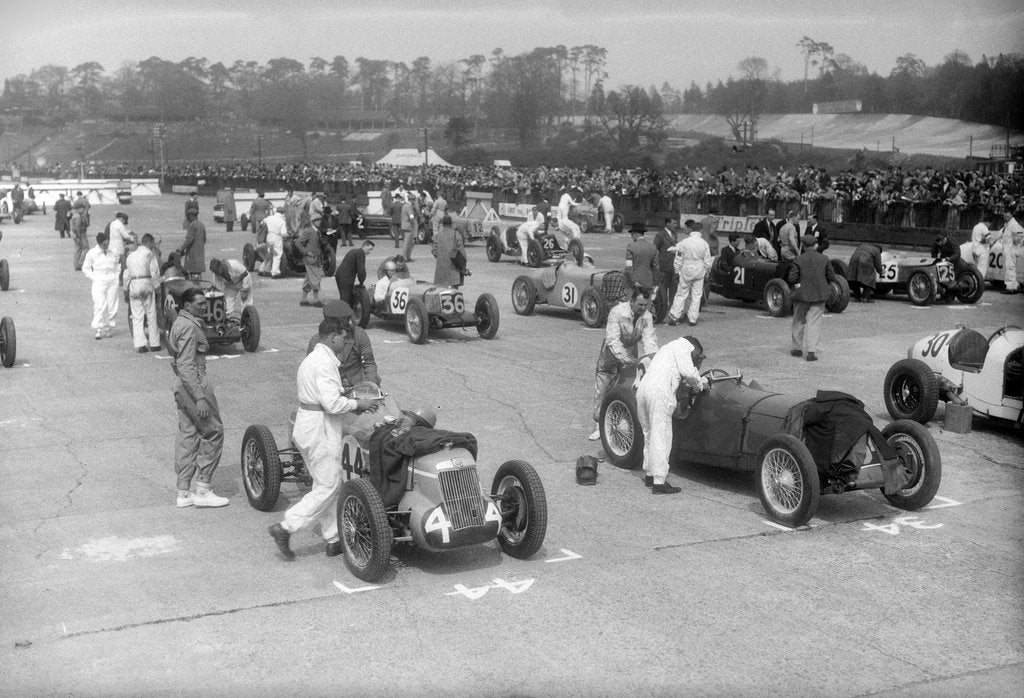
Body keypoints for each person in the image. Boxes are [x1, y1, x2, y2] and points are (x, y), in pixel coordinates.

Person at [268, 316, 383, 561]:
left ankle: (333, 538)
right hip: (319, 428)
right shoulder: (324, 363)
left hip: (310, 424)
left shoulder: (314, 359)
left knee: (326, 484)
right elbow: (331, 403)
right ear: (333, 337)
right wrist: (358, 403)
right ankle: (286, 527)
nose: (346, 342)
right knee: (329, 485)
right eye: (344, 337)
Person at [168, 287, 229, 508]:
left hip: (183, 384)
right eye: (200, 304)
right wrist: (200, 397)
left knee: (188, 436)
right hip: (194, 383)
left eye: (204, 303)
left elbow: (174, 357)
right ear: (187, 306)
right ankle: (203, 489)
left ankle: (183, 492)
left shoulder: (180, 323)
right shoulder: (189, 327)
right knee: (213, 432)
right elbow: (186, 365)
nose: (204, 306)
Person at [636, 336, 708, 494]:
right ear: (694, 349)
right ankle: (659, 482)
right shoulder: (684, 347)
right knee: (661, 436)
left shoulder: (667, 348)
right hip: (659, 393)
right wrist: (701, 384)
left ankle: (649, 474)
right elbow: (688, 372)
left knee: (649, 434)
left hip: (643, 390)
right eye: (698, 356)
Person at [588, 286, 657, 441]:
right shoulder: (617, 312)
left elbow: (650, 340)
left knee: (629, 390)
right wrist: (628, 359)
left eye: (646, 305)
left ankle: (624, 422)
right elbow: (612, 339)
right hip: (610, 356)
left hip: (631, 355)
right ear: (631, 301)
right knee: (603, 390)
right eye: (640, 305)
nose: (643, 308)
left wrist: (652, 359)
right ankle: (599, 426)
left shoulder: (647, 316)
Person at [788, 234, 837, 361]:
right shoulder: (824, 258)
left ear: (803, 246)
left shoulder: (798, 259)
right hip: (819, 295)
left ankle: (797, 349)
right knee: (814, 323)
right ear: (815, 245)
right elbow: (832, 278)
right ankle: (811, 351)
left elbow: (792, 278)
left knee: (798, 321)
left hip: (801, 295)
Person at [666, 220, 712, 327]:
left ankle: (674, 316)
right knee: (696, 295)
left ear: (692, 229)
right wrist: (706, 273)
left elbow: (679, 257)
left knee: (681, 294)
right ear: (700, 230)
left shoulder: (685, 242)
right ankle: (693, 318)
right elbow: (708, 261)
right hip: (699, 269)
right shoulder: (704, 243)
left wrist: (677, 271)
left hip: (686, 269)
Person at [123, 233, 162, 352]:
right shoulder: (149, 254)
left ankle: (141, 344)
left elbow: (126, 275)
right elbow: (155, 273)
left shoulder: (130, 256)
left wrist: (125, 289)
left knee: (137, 316)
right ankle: (155, 344)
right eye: (152, 244)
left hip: (134, 285)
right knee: (151, 314)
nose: (153, 246)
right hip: (146, 284)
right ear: (148, 242)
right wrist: (158, 289)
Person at [82, 231, 121, 339]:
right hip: (99, 280)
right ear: (99, 244)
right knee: (99, 304)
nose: (107, 246)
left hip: (112, 280)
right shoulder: (92, 253)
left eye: (107, 243)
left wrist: (116, 276)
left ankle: (108, 328)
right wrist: (94, 278)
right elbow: (86, 268)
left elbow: (118, 264)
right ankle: (98, 329)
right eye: (104, 244)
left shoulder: (113, 251)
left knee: (112, 305)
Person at [209, 257, 253, 322]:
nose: (216, 274)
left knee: (246, 302)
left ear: (220, 266)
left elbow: (245, 274)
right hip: (231, 285)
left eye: (217, 271)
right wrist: (221, 296)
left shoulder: (234, 265)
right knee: (228, 302)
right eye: (214, 272)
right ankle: (227, 320)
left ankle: (247, 319)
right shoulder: (216, 274)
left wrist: (245, 289)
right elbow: (218, 287)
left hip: (243, 281)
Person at [652, 217, 678, 321]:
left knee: (674, 290)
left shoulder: (675, 234)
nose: (675, 225)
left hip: (674, 267)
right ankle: (663, 310)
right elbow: (654, 250)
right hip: (663, 267)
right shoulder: (660, 235)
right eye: (673, 223)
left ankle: (672, 312)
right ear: (667, 223)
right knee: (662, 291)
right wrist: (656, 264)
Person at [432, 214, 468, 287]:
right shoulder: (456, 234)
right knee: (453, 290)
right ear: (451, 224)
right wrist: (463, 263)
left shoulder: (438, 235)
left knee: (441, 290)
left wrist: (441, 257)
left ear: (442, 224)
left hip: (441, 267)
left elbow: (434, 251)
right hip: (453, 267)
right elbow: (461, 251)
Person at [297, 211, 324, 308]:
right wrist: (306, 252)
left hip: (315, 258)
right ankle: (316, 301)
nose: (319, 222)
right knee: (316, 278)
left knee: (309, 279)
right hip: (310, 258)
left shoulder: (316, 231)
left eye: (319, 220)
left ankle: (303, 300)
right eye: (317, 220)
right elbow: (298, 243)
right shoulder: (309, 231)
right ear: (313, 222)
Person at [335, 239, 374, 306]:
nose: (370, 252)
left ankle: (343, 313)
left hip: (340, 275)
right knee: (346, 299)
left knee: (344, 297)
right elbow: (361, 270)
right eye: (370, 249)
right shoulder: (361, 253)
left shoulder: (355, 251)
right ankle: (344, 315)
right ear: (365, 246)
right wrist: (361, 283)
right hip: (346, 277)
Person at [624, 221, 657, 291]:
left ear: (636, 234)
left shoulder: (631, 247)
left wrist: (634, 281)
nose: (631, 236)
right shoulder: (653, 247)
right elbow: (656, 267)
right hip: (648, 282)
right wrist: (655, 282)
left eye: (632, 234)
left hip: (634, 283)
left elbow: (628, 267)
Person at [259, 206, 287, 278]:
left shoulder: (269, 218)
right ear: (283, 213)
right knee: (277, 255)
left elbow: (262, 223)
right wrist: (288, 235)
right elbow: (283, 233)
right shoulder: (282, 221)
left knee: (270, 254)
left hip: (269, 237)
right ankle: (275, 272)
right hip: (277, 238)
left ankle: (264, 269)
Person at [999, 211, 1023, 294]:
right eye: (1005, 216)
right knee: (1010, 268)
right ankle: (1014, 285)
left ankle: (1010, 288)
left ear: (1011, 216)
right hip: (1008, 249)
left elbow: (1020, 233)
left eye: (1007, 216)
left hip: (1011, 249)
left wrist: (1017, 241)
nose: (1006, 218)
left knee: (1010, 268)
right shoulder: (1008, 224)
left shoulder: (1013, 224)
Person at [179, 209, 206, 280]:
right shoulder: (201, 225)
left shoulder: (192, 225)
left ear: (191, 216)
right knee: (198, 273)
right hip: (200, 252)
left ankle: (195, 287)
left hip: (193, 253)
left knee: (193, 272)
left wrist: (181, 249)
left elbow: (189, 240)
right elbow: (204, 239)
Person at [71, 191, 91, 271]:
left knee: (77, 249)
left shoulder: (76, 202)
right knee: (86, 248)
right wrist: (79, 236)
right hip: (81, 233)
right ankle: (81, 263)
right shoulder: (79, 216)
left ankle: (76, 265)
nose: (83, 210)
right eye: (82, 209)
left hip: (75, 234)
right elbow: (78, 227)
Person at [968, 215, 993, 279]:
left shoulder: (976, 226)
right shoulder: (984, 227)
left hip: (974, 248)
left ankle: (975, 282)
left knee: (976, 268)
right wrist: (985, 242)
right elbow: (988, 238)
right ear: (988, 222)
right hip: (982, 249)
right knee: (982, 268)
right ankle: (980, 284)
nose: (989, 225)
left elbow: (972, 238)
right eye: (989, 224)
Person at [400, 195, 418, 261]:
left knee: (406, 242)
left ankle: (406, 256)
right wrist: (412, 223)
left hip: (404, 225)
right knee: (407, 242)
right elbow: (411, 216)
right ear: (412, 200)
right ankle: (405, 257)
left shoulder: (404, 206)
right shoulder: (409, 206)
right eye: (414, 200)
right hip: (409, 226)